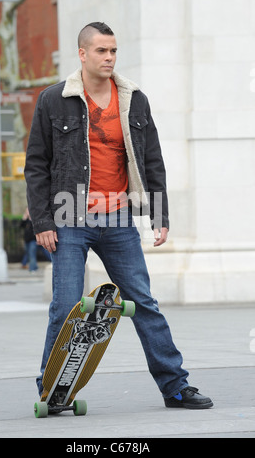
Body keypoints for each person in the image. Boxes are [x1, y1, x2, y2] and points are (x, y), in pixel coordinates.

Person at [25, 22, 213, 409]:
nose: (109, 58)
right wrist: (42, 222)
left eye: (113, 51)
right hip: (69, 217)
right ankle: (53, 388)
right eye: (101, 51)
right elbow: (36, 166)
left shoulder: (133, 99)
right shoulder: (53, 99)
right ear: (82, 54)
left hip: (119, 220)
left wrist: (159, 214)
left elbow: (152, 160)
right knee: (66, 305)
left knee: (143, 302)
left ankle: (175, 386)